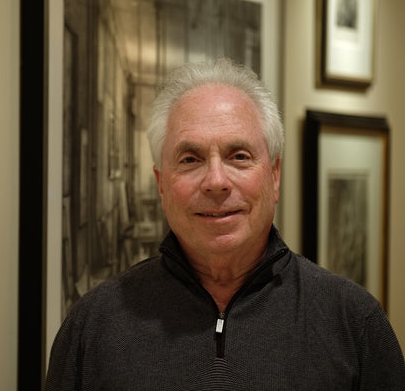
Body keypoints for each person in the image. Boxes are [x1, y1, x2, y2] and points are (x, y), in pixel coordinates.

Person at [44, 58, 405, 389]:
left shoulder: (355, 326)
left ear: (275, 176)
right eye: (190, 159)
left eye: (239, 156)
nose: (216, 181)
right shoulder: (92, 328)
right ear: (161, 184)